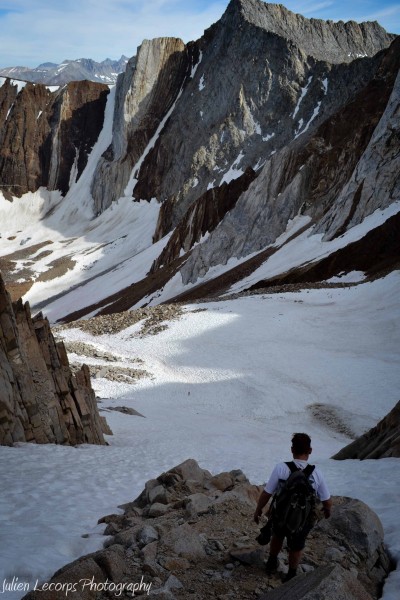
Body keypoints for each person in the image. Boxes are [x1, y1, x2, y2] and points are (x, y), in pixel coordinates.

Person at [254, 432, 332, 582]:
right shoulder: (316, 473)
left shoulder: (281, 468)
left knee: (277, 535)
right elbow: (327, 500)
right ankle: (291, 574)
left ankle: (271, 562)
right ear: (310, 450)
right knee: (297, 544)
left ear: (292, 449)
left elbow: (267, 493)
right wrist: (327, 511)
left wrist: (258, 509)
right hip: (303, 519)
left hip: (280, 514)